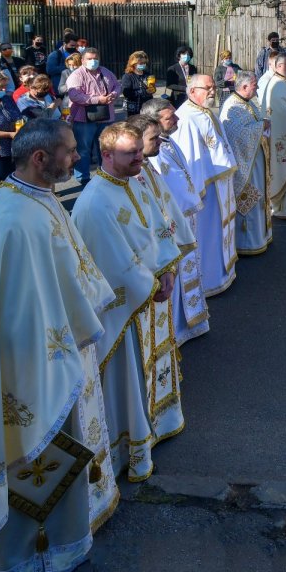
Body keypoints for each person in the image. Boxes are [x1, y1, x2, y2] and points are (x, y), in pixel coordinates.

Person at [0, 119, 118, 572]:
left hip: (43, 357)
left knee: (49, 458)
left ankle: (57, 547)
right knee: (31, 455)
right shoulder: (16, 218)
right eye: (70, 151)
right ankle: (26, 559)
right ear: (41, 158)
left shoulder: (37, 200)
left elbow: (63, 277)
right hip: (30, 369)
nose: (77, 157)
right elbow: (30, 305)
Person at [71, 123, 184, 483]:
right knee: (129, 376)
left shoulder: (134, 181)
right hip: (127, 308)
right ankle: (130, 446)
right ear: (106, 155)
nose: (139, 157)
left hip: (151, 291)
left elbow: (160, 226)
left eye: (139, 149)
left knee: (153, 367)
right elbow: (113, 263)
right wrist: (151, 284)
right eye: (130, 152)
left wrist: (168, 266)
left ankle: (159, 421)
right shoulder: (94, 201)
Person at [141, 98, 210, 344]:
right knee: (175, 277)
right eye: (171, 117)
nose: (177, 119)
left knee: (188, 272)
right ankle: (177, 328)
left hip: (184, 217)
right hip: (171, 223)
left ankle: (188, 322)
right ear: (155, 121)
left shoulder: (167, 143)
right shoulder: (150, 155)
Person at [171, 75, 238, 296]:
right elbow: (188, 159)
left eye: (213, 87)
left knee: (220, 230)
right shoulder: (185, 118)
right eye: (207, 88)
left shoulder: (207, 111)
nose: (212, 91)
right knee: (207, 233)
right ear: (192, 91)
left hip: (218, 183)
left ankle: (222, 273)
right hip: (205, 188)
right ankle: (208, 279)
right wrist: (195, 191)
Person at [221, 72, 273, 255]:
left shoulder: (248, 103)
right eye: (254, 86)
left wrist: (262, 124)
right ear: (244, 87)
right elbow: (236, 135)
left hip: (254, 158)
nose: (257, 89)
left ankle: (261, 236)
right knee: (249, 198)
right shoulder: (232, 106)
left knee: (259, 196)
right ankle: (248, 242)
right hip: (244, 164)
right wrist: (262, 126)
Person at [65, 47, 120, 186]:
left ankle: (106, 174)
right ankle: (83, 178)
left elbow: (117, 86)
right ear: (82, 60)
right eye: (89, 59)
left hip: (106, 117)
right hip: (83, 119)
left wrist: (113, 95)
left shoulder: (106, 72)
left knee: (105, 147)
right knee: (83, 149)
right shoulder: (76, 75)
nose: (93, 61)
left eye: (95, 58)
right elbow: (74, 95)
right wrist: (97, 99)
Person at [119, 51, 154, 116]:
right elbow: (126, 93)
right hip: (134, 109)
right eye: (140, 63)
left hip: (148, 107)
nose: (143, 65)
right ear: (133, 63)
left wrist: (152, 89)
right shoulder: (128, 76)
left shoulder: (148, 75)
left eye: (144, 63)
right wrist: (144, 92)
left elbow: (152, 87)